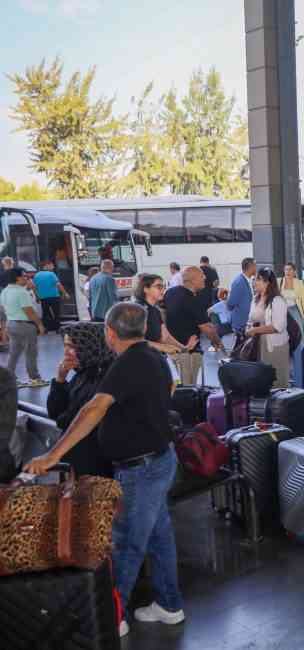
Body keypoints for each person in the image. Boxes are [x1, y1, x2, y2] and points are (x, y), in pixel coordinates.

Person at [25, 303, 184, 638]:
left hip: (142, 468)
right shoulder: (153, 356)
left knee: (126, 544)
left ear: (111, 333)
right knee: (158, 537)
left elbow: (94, 408)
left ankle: (112, 616)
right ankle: (169, 605)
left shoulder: (127, 363)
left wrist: (53, 454)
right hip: (160, 458)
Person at [46, 322, 115, 478]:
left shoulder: (105, 377)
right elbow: (55, 412)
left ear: (90, 346)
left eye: (72, 346)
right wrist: (60, 380)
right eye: (65, 346)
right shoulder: (83, 373)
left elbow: (67, 419)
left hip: (95, 462)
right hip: (78, 457)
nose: (67, 352)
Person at [164, 267, 225, 385]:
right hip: (188, 353)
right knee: (188, 388)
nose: (205, 278)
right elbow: (206, 327)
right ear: (193, 280)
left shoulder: (170, 293)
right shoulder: (192, 299)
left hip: (172, 350)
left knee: (177, 386)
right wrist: (217, 342)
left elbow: (163, 314)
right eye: (202, 276)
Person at [246, 268, 291, 388]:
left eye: (258, 279)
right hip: (257, 345)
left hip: (275, 347)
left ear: (268, 282)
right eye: (255, 279)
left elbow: (278, 326)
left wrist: (255, 330)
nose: (254, 282)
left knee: (277, 381)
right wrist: (249, 327)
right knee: (261, 381)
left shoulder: (277, 300)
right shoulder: (255, 299)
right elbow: (251, 319)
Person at [3, 269, 48, 387]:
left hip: (11, 323)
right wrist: (40, 324)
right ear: (17, 278)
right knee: (30, 352)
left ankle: (9, 379)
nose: (27, 278)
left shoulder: (5, 291)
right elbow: (29, 311)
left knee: (14, 353)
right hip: (25, 325)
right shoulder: (22, 292)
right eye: (24, 276)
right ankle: (34, 378)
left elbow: (2, 308)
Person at [134, 274, 190, 356]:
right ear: (146, 289)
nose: (163, 289)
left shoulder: (155, 310)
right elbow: (133, 340)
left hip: (155, 357)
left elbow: (165, 336)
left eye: (164, 286)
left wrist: (183, 348)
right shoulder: (137, 310)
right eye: (159, 287)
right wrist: (162, 347)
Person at [33, 259, 67, 333]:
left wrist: (37, 297)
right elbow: (58, 284)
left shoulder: (36, 275)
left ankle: (46, 328)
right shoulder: (51, 274)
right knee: (56, 313)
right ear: (46, 266)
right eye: (52, 265)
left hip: (43, 298)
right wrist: (64, 293)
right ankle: (57, 329)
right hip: (54, 296)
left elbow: (34, 287)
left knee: (45, 313)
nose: (53, 267)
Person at [227, 258, 257, 335]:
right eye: (255, 265)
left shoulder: (249, 280)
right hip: (241, 325)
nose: (256, 268)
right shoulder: (239, 282)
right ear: (250, 267)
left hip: (248, 323)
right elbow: (231, 303)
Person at [280, 262, 304, 330]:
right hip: (282, 311)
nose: (288, 271)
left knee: (298, 331)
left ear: (294, 272)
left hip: (295, 310)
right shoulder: (279, 281)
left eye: (290, 269)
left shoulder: (299, 283)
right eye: (286, 269)